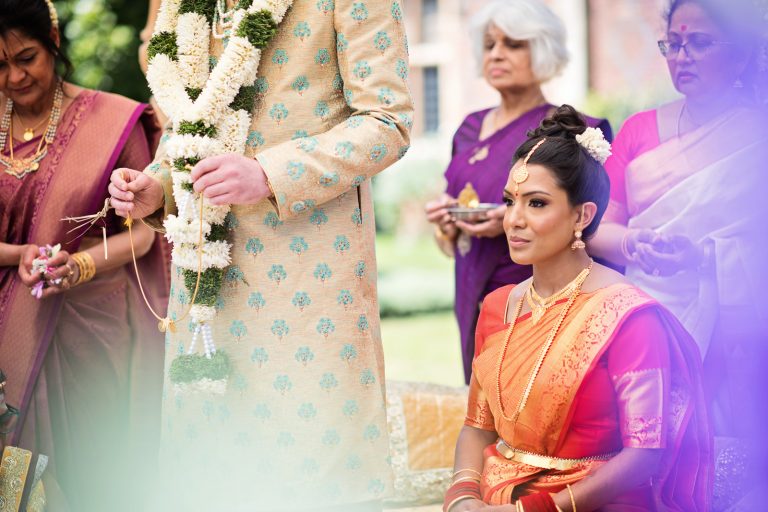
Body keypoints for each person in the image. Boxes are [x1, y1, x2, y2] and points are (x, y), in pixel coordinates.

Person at [108, 0, 413, 509]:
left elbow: (388, 121)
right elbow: (192, 124)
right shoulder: (188, 7)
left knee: (314, 460)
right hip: (205, 276)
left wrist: (271, 173)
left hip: (307, 281)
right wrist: (157, 186)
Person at [444, 105, 711, 511]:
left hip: (591, 503)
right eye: (509, 201)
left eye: (536, 204)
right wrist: (463, 496)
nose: (513, 220)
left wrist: (539, 507)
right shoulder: (498, 306)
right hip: (498, 496)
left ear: (582, 216)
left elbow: (645, 455)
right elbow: (477, 427)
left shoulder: (628, 316)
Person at [588, 1, 768, 507]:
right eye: (673, 44)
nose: (682, 56)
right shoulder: (638, 129)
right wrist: (633, 244)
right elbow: (601, 226)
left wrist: (707, 257)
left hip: (739, 323)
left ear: (740, 53)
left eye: (700, 43)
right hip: (651, 315)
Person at [0, 0, 168, 510]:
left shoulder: (114, 119)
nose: (14, 76)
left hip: (90, 336)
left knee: (90, 478)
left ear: (52, 36)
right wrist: (18, 254)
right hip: (8, 331)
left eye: (26, 57)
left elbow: (144, 233)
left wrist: (80, 265)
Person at [425, 0, 611, 384]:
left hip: (539, 286)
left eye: (513, 44)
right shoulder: (469, 129)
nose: (497, 54)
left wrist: (515, 217)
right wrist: (447, 221)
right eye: (490, 44)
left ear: (542, 49)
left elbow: (596, 225)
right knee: (484, 405)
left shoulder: (571, 130)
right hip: (472, 282)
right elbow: (449, 237)